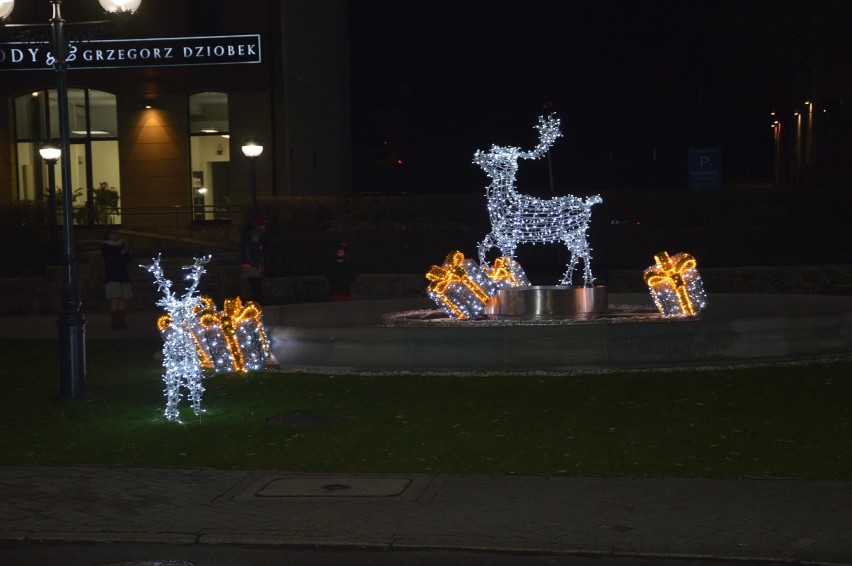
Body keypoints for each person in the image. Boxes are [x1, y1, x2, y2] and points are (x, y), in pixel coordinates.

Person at [101, 225, 133, 330]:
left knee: (123, 300)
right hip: (112, 275)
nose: (115, 235)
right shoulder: (106, 246)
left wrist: (128, 252)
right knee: (115, 299)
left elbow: (127, 260)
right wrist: (123, 252)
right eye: (113, 233)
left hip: (122, 275)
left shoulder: (122, 244)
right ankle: (114, 324)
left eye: (116, 233)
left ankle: (121, 324)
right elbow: (111, 259)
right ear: (108, 235)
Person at [240, 213, 267, 304]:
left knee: (254, 289)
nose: (264, 227)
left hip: (249, 266)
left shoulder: (249, 235)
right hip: (252, 267)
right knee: (256, 289)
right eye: (263, 225)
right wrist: (257, 265)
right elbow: (252, 252)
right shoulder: (253, 236)